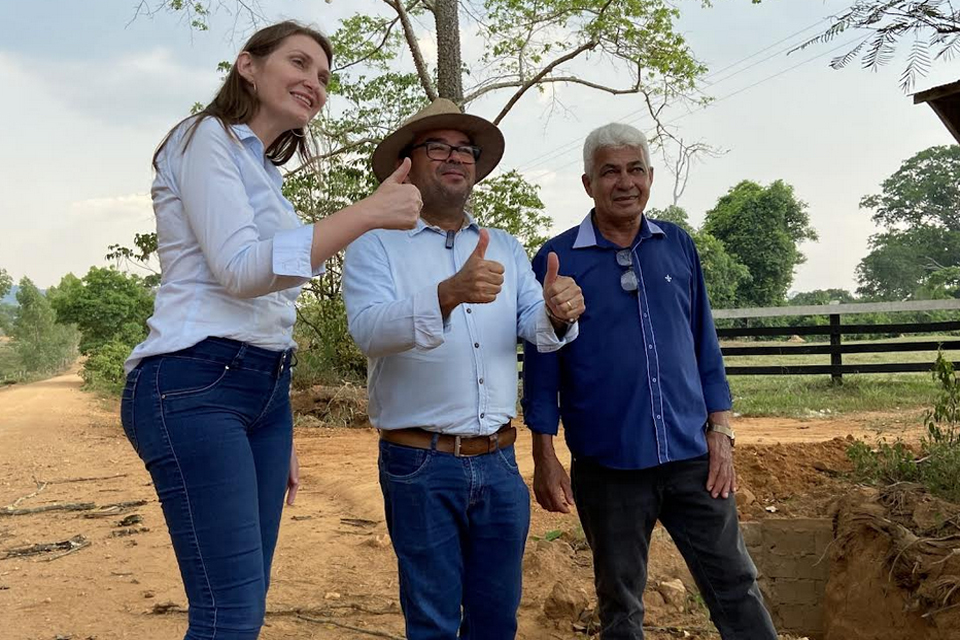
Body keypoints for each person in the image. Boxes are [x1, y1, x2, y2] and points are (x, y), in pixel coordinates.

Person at [120, 21, 422, 640]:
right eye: (299, 63)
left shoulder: (264, 175)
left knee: (244, 608)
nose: (314, 82)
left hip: (258, 389)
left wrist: (273, 417)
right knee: (227, 614)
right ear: (248, 66)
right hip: (192, 381)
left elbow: (267, 310)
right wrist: (366, 215)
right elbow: (239, 272)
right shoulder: (203, 138)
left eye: (324, 76)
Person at [521, 122, 778, 640]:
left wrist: (721, 431)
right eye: (609, 171)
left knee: (735, 583)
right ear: (587, 183)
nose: (625, 182)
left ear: (651, 176)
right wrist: (544, 455)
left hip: (692, 456)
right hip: (609, 463)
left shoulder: (677, 245)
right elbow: (542, 367)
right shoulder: (557, 258)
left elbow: (703, 342)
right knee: (620, 600)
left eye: (635, 169)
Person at [342, 98, 585, 640]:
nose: (455, 158)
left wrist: (557, 308)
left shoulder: (505, 246)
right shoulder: (374, 243)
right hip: (419, 463)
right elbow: (368, 330)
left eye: (465, 149)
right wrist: (446, 296)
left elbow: (535, 326)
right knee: (432, 621)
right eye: (438, 147)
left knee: (497, 619)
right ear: (408, 163)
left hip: (499, 463)